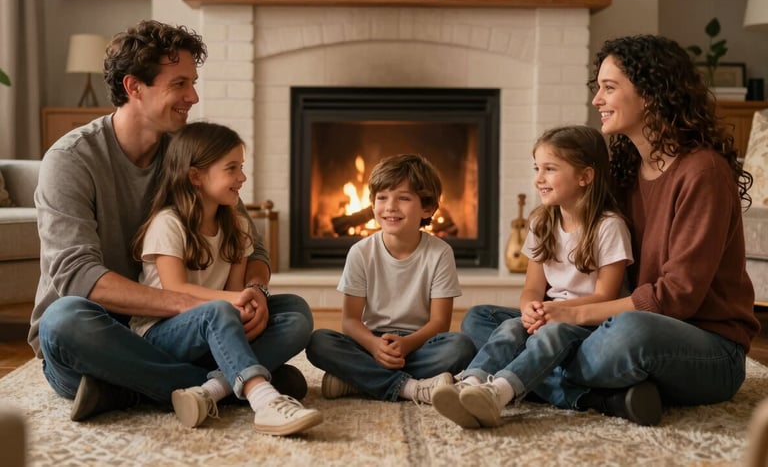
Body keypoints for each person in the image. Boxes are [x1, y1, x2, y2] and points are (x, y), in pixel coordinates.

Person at [461, 34, 760, 426]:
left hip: (702, 346)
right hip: (610, 324)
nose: (596, 100)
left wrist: (573, 314)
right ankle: (605, 398)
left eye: (609, 88)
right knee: (481, 319)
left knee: (627, 333)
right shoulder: (624, 172)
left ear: (650, 94)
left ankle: (537, 377)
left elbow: (677, 298)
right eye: (597, 88)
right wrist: (545, 312)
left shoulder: (702, 172)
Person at [30, 20, 313, 423]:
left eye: (192, 83)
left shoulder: (190, 153)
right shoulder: (71, 160)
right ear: (134, 87)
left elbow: (254, 247)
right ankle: (230, 382)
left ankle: (134, 389)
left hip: (184, 331)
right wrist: (208, 306)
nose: (193, 96)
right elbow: (77, 277)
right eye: (179, 84)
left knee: (294, 314)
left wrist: (253, 292)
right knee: (63, 321)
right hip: (101, 336)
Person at [432, 125, 633, 428]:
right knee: (481, 318)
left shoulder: (609, 227)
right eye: (537, 168)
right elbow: (532, 289)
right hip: (549, 314)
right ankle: (471, 384)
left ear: (585, 176)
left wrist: (557, 313)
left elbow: (606, 296)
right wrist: (531, 309)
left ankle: (499, 392)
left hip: (589, 325)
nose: (539, 178)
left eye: (550, 169)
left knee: (548, 334)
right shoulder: (541, 222)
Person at [128, 121, 321, 435]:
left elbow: (235, 293)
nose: (242, 178)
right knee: (218, 311)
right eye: (232, 169)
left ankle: (211, 390)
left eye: (241, 168)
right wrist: (235, 301)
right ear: (196, 176)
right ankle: (264, 400)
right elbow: (175, 289)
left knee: (296, 311)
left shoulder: (237, 226)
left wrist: (247, 303)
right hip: (162, 331)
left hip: (216, 326)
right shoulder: (168, 223)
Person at [305, 153, 476, 404]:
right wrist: (375, 346)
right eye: (382, 198)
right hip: (370, 341)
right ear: (372, 204)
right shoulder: (361, 252)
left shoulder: (440, 253)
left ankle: (357, 380)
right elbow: (350, 321)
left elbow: (440, 322)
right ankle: (411, 388)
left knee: (461, 347)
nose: (390, 207)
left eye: (403, 198)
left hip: (417, 344)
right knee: (318, 343)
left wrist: (406, 344)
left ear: (427, 207)